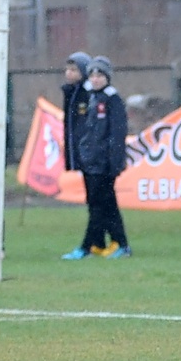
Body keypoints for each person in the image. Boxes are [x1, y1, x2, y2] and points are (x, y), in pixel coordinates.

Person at [61, 55, 132, 260]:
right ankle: (113, 244)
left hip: (104, 164)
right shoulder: (92, 98)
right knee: (102, 205)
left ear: (107, 77)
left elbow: (117, 134)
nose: (95, 78)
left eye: (100, 74)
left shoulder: (113, 100)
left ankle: (88, 247)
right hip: (91, 162)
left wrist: (114, 162)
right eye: (92, 74)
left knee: (100, 206)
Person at [61, 51, 109, 256]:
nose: (69, 73)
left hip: (94, 157)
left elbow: (91, 129)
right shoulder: (71, 93)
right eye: (68, 69)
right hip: (84, 155)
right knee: (95, 201)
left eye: (74, 69)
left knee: (98, 202)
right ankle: (99, 243)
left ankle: (89, 245)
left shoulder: (90, 95)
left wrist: (89, 151)